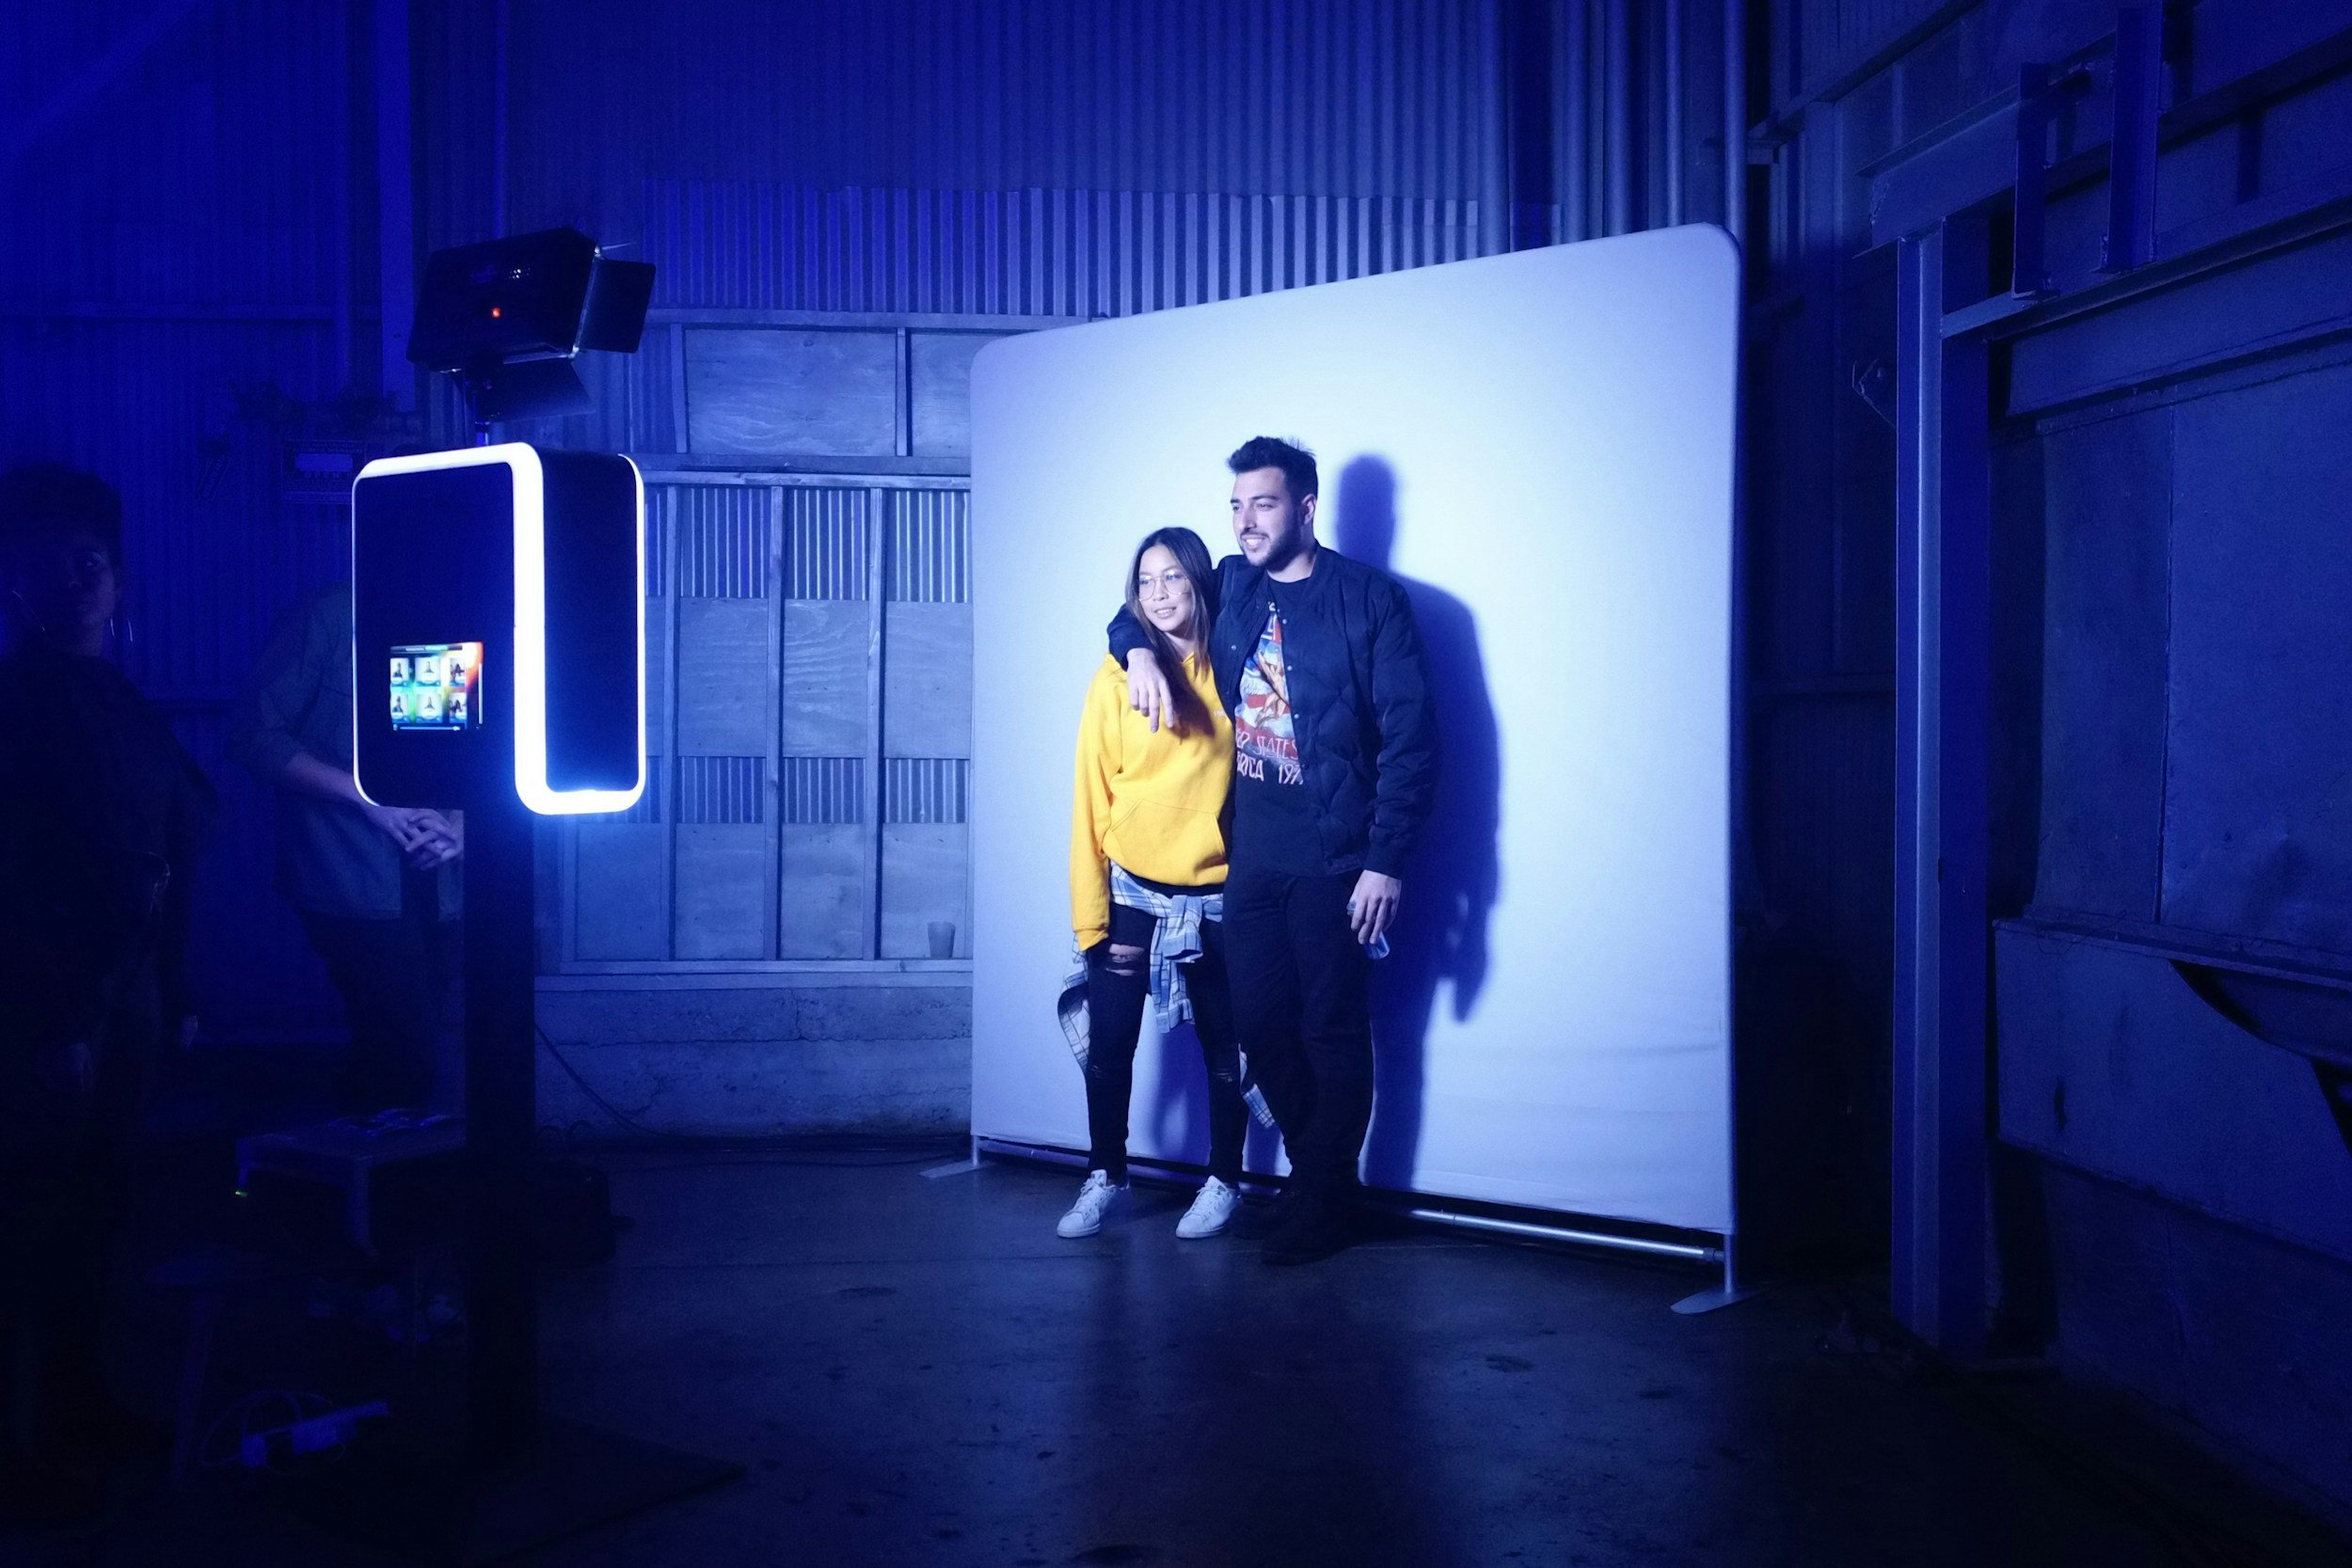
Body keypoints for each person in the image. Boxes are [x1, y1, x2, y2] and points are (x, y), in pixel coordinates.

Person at [1112, 437, 1436, 1264]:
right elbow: (1140, 606)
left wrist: (1386, 861)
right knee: (1258, 1026)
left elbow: (1412, 740)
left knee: (1332, 1027)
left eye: (1263, 503)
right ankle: (1326, 1185)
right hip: (1252, 855)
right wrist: (1139, 649)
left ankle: (1318, 1199)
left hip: (1338, 858)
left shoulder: (1371, 600)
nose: (1246, 521)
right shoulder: (1235, 581)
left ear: (1305, 508)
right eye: (1236, 505)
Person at [0, 464, 215, 1520]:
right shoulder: (19, 704)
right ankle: (16, 1451)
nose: (82, 580)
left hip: (124, 997)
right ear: (18, 586)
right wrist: (55, 1020)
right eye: (56, 565)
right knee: (32, 1223)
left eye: (96, 563)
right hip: (57, 1007)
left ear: (120, 582)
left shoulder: (118, 698)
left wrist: (170, 987)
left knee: (95, 1210)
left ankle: (74, 1404)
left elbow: (162, 840)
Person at [1057, 528, 1250, 1240]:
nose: (1160, 593)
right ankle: (1105, 1174)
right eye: (1146, 582)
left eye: (1173, 577)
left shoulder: (1234, 665)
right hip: (1132, 888)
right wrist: (1089, 916)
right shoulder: (1115, 680)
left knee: (1226, 1052)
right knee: (1111, 1047)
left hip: (1215, 890)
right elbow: (1090, 799)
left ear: (1199, 580)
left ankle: (1224, 1180)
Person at [228, 580, 461, 1116]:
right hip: (349, 874)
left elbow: (484, 744)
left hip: (447, 883)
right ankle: (378, 1157)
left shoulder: (460, 608)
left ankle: (379, 1153)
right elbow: (253, 737)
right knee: (403, 1048)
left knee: (416, 1045)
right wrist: (368, 800)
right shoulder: (329, 616)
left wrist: (462, 828)